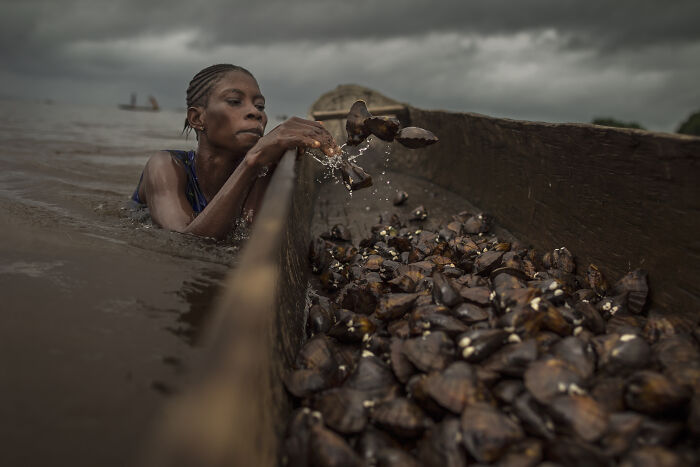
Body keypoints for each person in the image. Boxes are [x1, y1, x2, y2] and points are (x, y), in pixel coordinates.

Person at [131, 64, 339, 240]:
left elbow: (245, 234)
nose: (255, 112)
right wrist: (254, 159)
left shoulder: (260, 168)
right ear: (197, 119)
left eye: (260, 105)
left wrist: (267, 163)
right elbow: (183, 243)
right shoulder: (165, 166)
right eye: (234, 101)